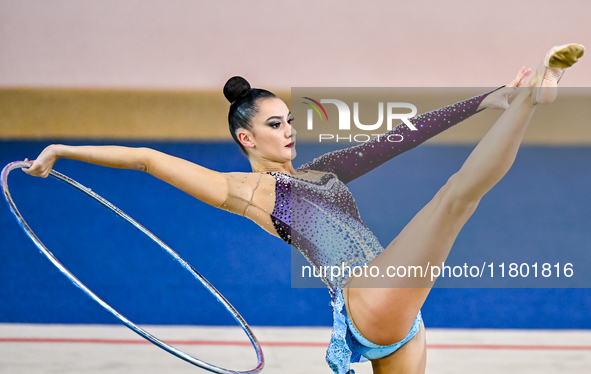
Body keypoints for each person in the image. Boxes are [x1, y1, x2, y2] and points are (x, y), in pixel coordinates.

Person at [23, 43, 584, 374]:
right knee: (455, 198)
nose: (289, 132)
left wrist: (483, 100)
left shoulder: (324, 171)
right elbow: (146, 158)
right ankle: (536, 91)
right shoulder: (246, 193)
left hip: (390, 313)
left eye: (289, 121)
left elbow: (402, 136)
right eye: (274, 126)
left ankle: (516, 99)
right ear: (246, 139)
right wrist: (61, 150)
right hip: (370, 291)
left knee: (456, 196)